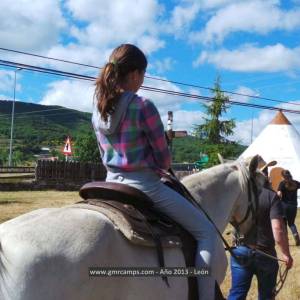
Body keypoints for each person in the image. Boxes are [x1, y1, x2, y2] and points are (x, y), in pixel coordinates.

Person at [92, 43, 218, 299]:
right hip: (144, 186)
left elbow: (103, 154)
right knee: (207, 232)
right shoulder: (143, 105)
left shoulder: (98, 108)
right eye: (143, 76)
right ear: (136, 74)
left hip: (108, 183)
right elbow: (163, 160)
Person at [228, 162, 293, 300]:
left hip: (240, 250)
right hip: (266, 254)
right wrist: (286, 254)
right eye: (265, 171)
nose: (267, 174)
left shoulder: (238, 194)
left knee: (237, 294)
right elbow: (278, 229)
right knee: (266, 296)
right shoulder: (271, 196)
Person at [277, 169, 300, 246]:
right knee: (291, 223)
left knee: (284, 224)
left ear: (283, 176)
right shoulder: (296, 183)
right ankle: (295, 234)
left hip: (284, 206)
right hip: (293, 206)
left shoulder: (282, 183)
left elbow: (279, 194)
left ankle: (286, 240)